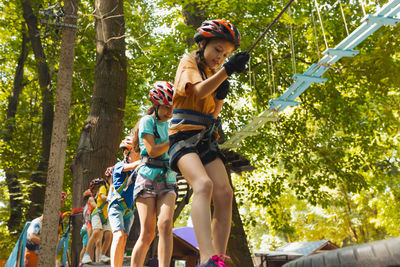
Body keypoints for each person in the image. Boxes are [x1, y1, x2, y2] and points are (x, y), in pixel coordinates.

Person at [168, 20, 249, 266]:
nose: (220, 57)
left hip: (204, 138)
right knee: (202, 185)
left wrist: (221, 96)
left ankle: (219, 259)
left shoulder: (214, 73)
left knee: (224, 193)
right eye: (217, 50)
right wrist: (228, 70)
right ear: (202, 43)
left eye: (226, 54)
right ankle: (206, 257)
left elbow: (212, 115)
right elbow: (199, 92)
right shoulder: (189, 62)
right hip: (182, 138)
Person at [130, 81, 177, 267]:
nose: (169, 111)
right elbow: (152, 151)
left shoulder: (173, 123)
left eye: (172, 107)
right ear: (157, 105)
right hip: (147, 177)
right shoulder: (147, 121)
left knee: (165, 224)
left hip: (168, 177)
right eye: (166, 107)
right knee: (148, 233)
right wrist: (174, 138)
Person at [108, 139, 141, 267]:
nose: (138, 154)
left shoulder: (137, 171)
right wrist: (145, 159)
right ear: (127, 152)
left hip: (129, 210)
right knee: (119, 236)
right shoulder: (119, 166)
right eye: (136, 151)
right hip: (117, 206)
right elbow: (131, 166)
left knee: (123, 240)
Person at [24, 192, 67, 267]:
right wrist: (47, 244)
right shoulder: (37, 223)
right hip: (32, 254)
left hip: (43, 256)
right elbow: (32, 237)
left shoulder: (52, 228)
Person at [82, 178, 111, 264]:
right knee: (96, 232)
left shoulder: (109, 189)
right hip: (97, 214)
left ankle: (102, 255)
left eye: (94, 189)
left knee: (109, 235)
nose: (94, 191)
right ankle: (86, 255)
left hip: (106, 216)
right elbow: (99, 202)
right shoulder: (100, 191)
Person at [80, 189, 93, 264]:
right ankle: (81, 262)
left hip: (85, 227)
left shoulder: (86, 206)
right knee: (85, 247)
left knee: (88, 246)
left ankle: (89, 261)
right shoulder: (88, 206)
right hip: (86, 228)